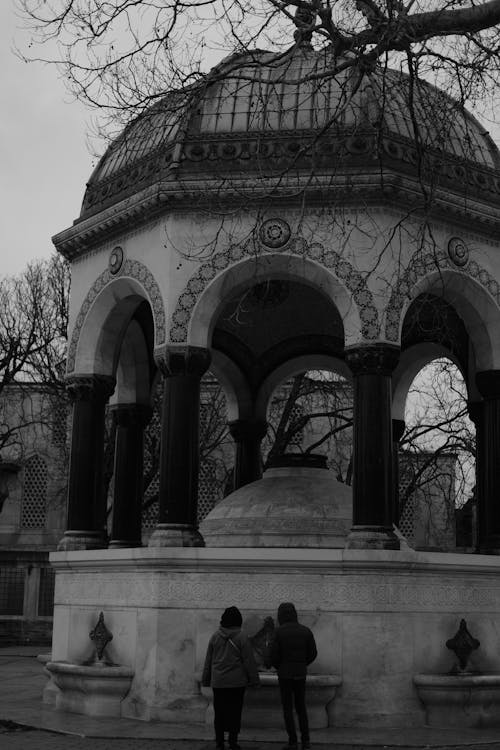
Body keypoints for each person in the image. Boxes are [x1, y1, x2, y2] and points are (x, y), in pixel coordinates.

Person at [202, 606, 260, 750]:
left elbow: (208, 660)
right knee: (235, 712)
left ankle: (220, 742)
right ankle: (233, 742)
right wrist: (254, 680)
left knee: (219, 712)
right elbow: (249, 661)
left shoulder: (215, 636)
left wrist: (205, 679)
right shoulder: (242, 637)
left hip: (219, 682)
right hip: (236, 682)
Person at [270, 602, 317, 750]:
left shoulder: (278, 632)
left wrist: (280, 666)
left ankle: (292, 741)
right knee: (301, 707)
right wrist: (302, 664)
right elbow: (313, 653)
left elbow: (273, 655)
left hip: (284, 675)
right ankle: (306, 740)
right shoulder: (306, 631)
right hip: (300, 673)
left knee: (287, 708)